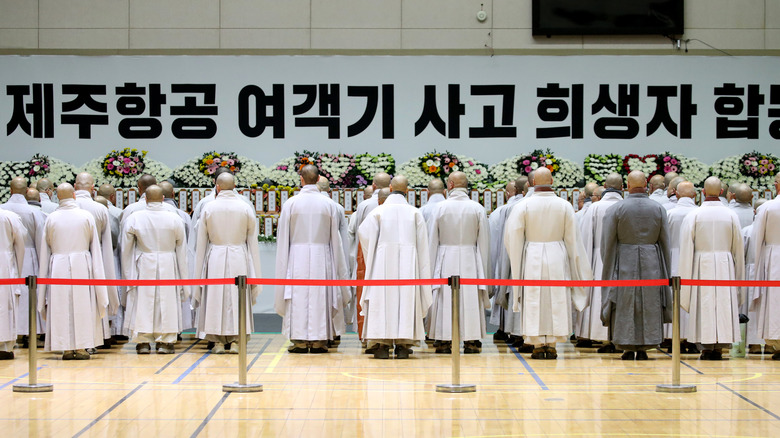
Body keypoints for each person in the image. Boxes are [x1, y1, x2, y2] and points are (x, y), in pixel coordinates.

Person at [504, 167, 592, 359]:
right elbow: (573, 240)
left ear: (532, 183)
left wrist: (518, 259)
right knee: (556, 299)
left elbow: (512, 237)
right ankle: (551, 344)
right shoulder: (564, 206)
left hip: (532, 256)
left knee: (534, 300)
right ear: (552, 182)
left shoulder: (523, 206)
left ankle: (536, 345)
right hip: (557, 256)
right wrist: (574, 262)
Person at [275, 166, 349, 354]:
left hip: (296, 256)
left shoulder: (291, 203)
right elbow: (336, 240)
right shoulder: (329, 205)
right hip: (321, 257)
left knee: (298, 295)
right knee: (320, 296)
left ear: (301, 179)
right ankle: (319, 340)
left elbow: (283, 237)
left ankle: (299, 341)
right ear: (317, 180)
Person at [358, 175, 433, 359]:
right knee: (406, 299)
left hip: (382, 263)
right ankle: (403, 344)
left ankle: (382, 344)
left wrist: (375, 257)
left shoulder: (378, 212)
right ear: (407, 191)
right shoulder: (415, 213)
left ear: (390, 188)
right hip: (409, 264)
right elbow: (423, 245)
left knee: (383, 300)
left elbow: (363, 234)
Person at [601, 170, 672, 360]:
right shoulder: (658, 209)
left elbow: (607, 243)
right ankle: (645, 345)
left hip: (624, 259)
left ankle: (626, 345)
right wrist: (665, 267)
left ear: (628, 186)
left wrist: (609, 266)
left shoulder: (616, 209)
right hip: (652, 260)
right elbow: (665, 242)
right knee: (650, 301)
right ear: (647, 185)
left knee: (625, 302)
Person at [38, 183, 111, 360]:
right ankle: (81, 347)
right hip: (82, 266)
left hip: (58, 267)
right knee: (83, 306)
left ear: (57, 196)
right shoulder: (85, 216)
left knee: (61, 305)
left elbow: (45, 249)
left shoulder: (52, 218)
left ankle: (66, 348)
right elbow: (95, 247)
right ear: (74, 195)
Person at [193, 173, 262, 354]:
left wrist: (198, 271)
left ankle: (217, 341)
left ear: (217, 186)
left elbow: (200, 243)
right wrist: (255, 270)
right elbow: (252, 242)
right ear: (234, 186)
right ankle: (237, 340)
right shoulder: (245, 207)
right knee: (237, 296)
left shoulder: (209, 208)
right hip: (239, 255)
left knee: (215, 296)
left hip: (215, 255)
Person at [679, 176, 745, 361]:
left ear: (702, 192)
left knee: (704, 304)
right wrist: (738, 275)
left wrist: (686, 276)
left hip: (701, 265)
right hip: (725, 265)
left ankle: (706, 346)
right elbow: (738, 249)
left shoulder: (694, 215)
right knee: (724, 303)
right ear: (722, 192)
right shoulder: (731, 215)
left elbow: (686, 249)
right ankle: (720, 345)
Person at [121, 185, 189, 355]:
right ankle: (165, 341)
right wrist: (183, 278)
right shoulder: (174, 218)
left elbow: (126, 249)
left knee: (143, 301)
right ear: (162, 199)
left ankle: (143, 341)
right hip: (169, 262)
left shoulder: (135, 218)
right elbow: (182, 250)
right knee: (166, 301)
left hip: (144, 261)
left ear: (145, 199)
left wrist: (128, 274)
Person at [427, 171, 490, 354]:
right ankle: (471, 340)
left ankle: (444, 339)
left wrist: (430, 269)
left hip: (446, 256)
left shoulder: (440, 208)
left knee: (445, 297)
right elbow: (484, 242)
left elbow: (432, 240)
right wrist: (483, 268)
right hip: (471, 256)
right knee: (470, 296)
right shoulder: (477, 208)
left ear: (451, 185)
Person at [576, 173, 624, 353]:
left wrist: (584, 265)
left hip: (598, 260)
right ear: (622, 187)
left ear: (605, 186)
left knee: (598, 296)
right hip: (621, 260)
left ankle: (595, 334)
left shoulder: (595, 208)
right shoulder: (623, 206)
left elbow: (586, 237)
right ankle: (618, 336)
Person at [74, 173, 119, 349]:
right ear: (93, 188)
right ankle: (96, 337)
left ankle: (72, 341)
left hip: (63, 265)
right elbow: (108, 242)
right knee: (93, 299)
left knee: (71, 300)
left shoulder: (59, 209)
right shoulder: (99, 209)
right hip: (96, 258)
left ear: (75, 187)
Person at [1, 176, 47, 348]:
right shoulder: (34, 212)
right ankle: (30, 332)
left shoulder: (2, 209)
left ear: (10, 190)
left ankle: (11, 333)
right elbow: (40, 239)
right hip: (30, 255)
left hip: (7, 258)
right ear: (27, 191)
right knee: (29, 296)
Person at [347, 172, 391, 347]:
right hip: (388, 256)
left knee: (366, 296)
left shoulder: (364, 205)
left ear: (373, 186)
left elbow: (359, 232)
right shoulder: (398, 206)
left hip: (366, 255)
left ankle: (366, 336)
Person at [663, 181, 699, 354]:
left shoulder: (670, 213)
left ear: (676, 194)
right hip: (694, 258)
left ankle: (672, 337)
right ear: (694, 195)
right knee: (693, 295)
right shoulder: (698, 212)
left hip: (672, 257)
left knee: (673, 297)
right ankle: (693, 337)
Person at [749, 175, 780, 359]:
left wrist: (758, 264)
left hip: (773, 258)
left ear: (777, 185)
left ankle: (776, 342)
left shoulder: (767, 208)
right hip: (772, 256)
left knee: (774, 301)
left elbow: (756, 239)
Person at [159, 180, 196, 333]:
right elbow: (188, 240)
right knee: (173, 297)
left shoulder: (137, 214)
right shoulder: (181, 215)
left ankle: (145, 339)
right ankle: (174, 330)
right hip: (172, 260)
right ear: (173, 194)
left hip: (145, 262)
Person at [487, 180, 519, 341]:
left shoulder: (501, 211)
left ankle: (504, 327)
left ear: (507, 194)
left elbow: (492, 241)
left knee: (508, 289)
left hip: (504, 256)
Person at [743, 198, 772, 355]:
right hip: (767, 271)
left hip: (752, 272)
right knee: (767, 307)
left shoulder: (747, 231)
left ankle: (754, 344)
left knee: (753, 309)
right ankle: (769, 343)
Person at [0, 209, 26, 359]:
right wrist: (18, 269)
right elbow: (21, 244)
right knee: (5, 305)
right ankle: (5, 346)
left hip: (6, 263)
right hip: (5, 265)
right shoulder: (9, 216)